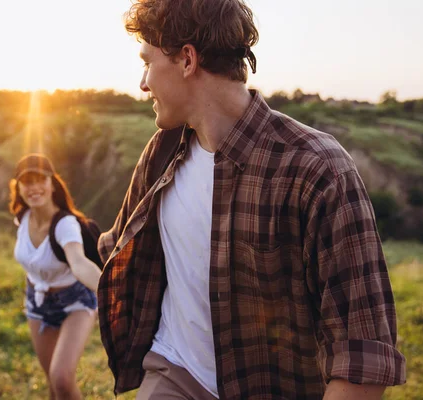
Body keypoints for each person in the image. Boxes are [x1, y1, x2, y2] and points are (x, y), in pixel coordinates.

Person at [96, 1, 406, 399]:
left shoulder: (317, 170)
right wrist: (56, 231)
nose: (142, 83)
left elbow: (361, 356)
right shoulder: (162, 151)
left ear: (187, 60)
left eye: (147, 63)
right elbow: (117, 247)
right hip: (174, 370)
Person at [9, 154, 101, 400]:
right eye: (27, 181)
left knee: (61, 379)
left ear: (53, 183)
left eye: (40, 179)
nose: (34, 187)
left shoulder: (65, 224)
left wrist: (110, 292)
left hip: (75, 302)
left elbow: (79, 262)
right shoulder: (22, 218)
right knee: (52, 383)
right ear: (18, 187)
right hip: (37, 303)